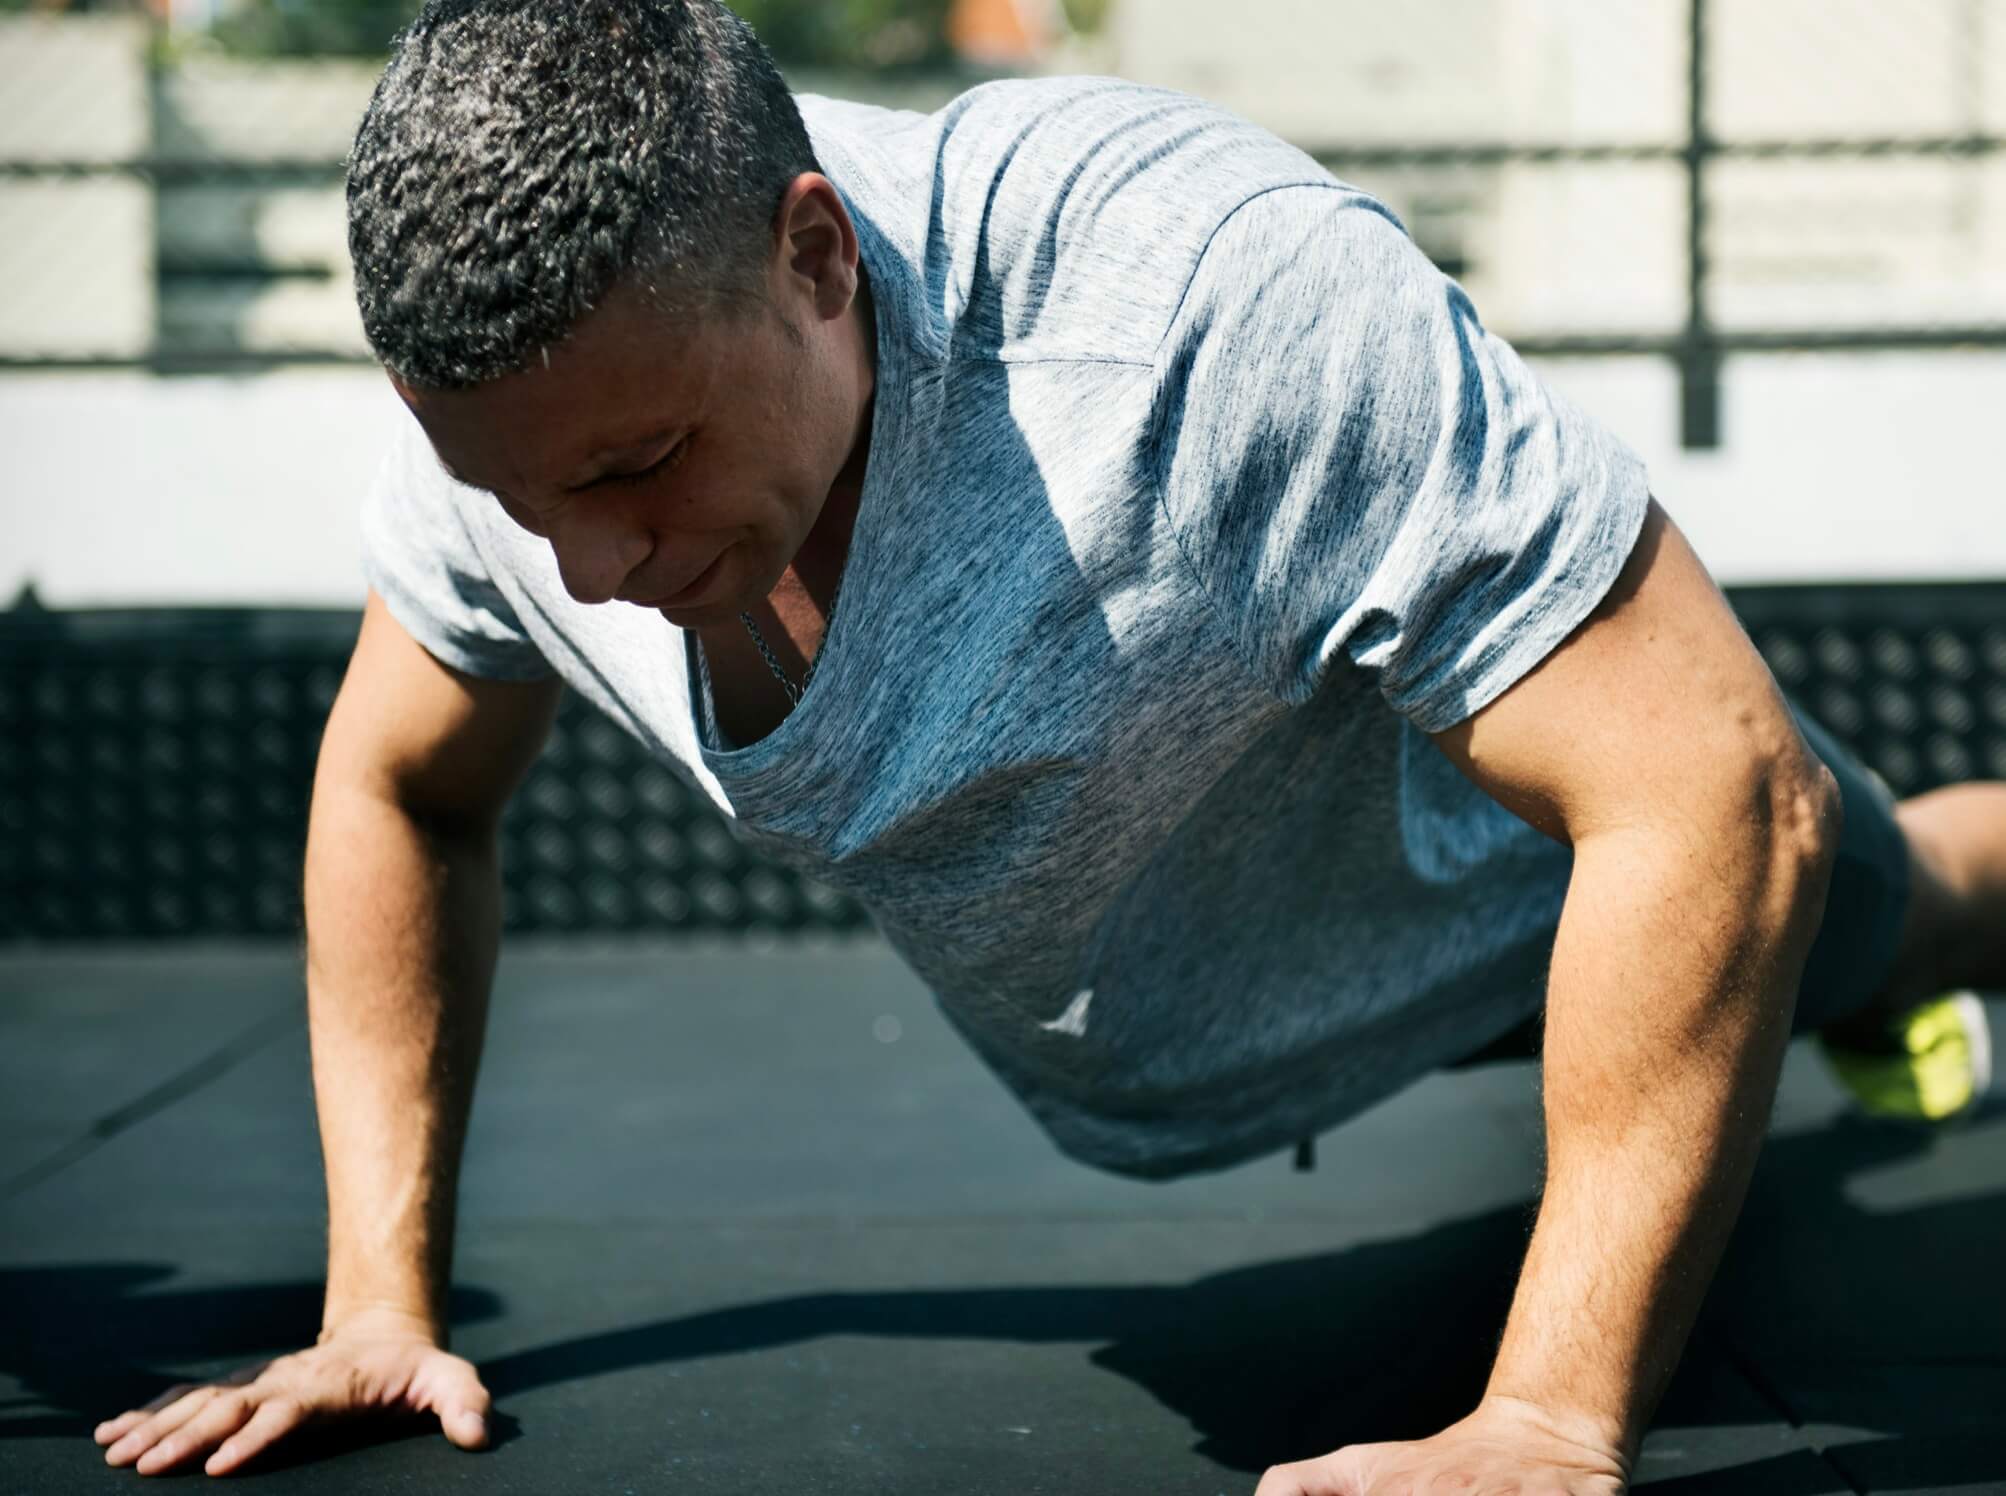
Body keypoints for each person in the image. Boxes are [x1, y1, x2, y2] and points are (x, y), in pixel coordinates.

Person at [93, 0, 2003, 1488]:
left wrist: (1549, 1420)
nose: (583, 568)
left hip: (1531, 905)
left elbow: (1698, 783)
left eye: (637, 469)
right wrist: (375, 1301)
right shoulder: (529, 435)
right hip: (1200, 1036)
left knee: (1897, 898)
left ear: (817, 258)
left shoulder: (1199, 308)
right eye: (520, 497)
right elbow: (404, 783)